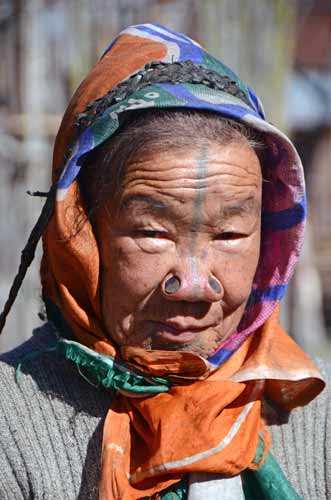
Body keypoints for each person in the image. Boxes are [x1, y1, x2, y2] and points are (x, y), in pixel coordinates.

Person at [0, 23, 330, 500]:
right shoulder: (12, 425)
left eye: (230, 233)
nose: (195, 285)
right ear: (81, 236)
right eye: (153, 233)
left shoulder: (312, 406)